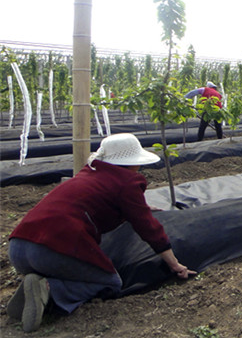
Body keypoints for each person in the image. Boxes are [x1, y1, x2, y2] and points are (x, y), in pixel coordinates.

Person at [7, 133, 196, 332]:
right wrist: (174, 264)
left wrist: (139, 208)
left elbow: (94, 201)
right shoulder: (127, 181)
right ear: (131, 162)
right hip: (53, 250)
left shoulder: (88, 173)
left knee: (66, 268)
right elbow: (148, 227)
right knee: (109, 283)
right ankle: (50, 290)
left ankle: (33, 289)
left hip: (19, 248)